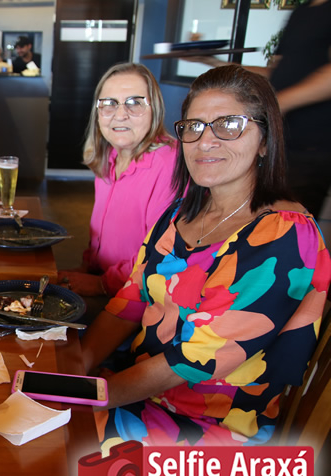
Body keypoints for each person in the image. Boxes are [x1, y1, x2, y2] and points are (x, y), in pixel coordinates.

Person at [81, 65, 330, 450]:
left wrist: (85, 396)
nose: (205, 141)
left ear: (265, 140)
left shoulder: (285, 235)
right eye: (194, 127)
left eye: (229, 125)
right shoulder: (179, 213)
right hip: (138, 388)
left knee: (45, 449)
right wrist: (77, 365)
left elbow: (191, 362)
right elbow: (130, 300)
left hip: (208, 426)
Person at [186, 0, 331, 217]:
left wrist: (278, 104)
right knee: (254, 213)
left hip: (310, 145)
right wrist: (214, 62)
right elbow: (277, 73)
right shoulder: (301, 13)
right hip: (278, 141)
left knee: (289, 220)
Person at [59, 63, 178, 299]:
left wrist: (101, 285)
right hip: (101, 280)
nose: (120, 114)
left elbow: (163, 253)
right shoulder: (109, 155)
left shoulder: (170, 162)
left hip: (139, 298)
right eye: (109, 103)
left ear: (154, 109)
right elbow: (101, 238)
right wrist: (86, 269)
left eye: (135, 103)